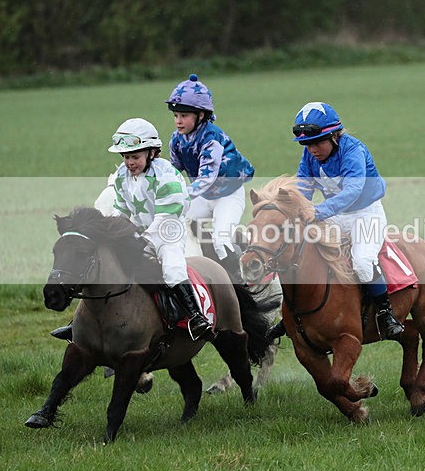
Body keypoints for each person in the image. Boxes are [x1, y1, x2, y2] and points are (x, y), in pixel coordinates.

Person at [52, 118, 214, 342]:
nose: (130, 162)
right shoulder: (121, 176)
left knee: (172, 269)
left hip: (168, 232)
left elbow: (165, 216)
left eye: (135, 156)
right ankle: (78, 324)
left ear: (152, 153)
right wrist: (117, 236)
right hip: (137, 233)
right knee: (104, 266)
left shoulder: (167, 176)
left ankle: (195, 318)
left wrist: (144, 240)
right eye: (126, 157)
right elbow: (121, 212)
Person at [266, 102, 404, 341]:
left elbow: (352, 191)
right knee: (299, 251)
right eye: (306, 144)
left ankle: (385, 313)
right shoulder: (309, 156)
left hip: (365, 214)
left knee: (361, 262)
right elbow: (303, 189)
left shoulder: (354, 151)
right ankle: (291, 315)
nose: (312, 150)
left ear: (334, 136)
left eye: (317, 142)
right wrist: (293, 211)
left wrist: (316, 213)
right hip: (335, 215)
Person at [165, 74, 254, 282]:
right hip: (204, 196)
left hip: (228, 194)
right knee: (178, 224)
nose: (178, 121)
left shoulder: (211, 138)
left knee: (220, 240)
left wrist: (180, 195)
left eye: (184, 116)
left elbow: (206, 178)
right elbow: (173, 170)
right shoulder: (176, 139)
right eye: (176, 115)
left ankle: (242, 283)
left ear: (202, 115)